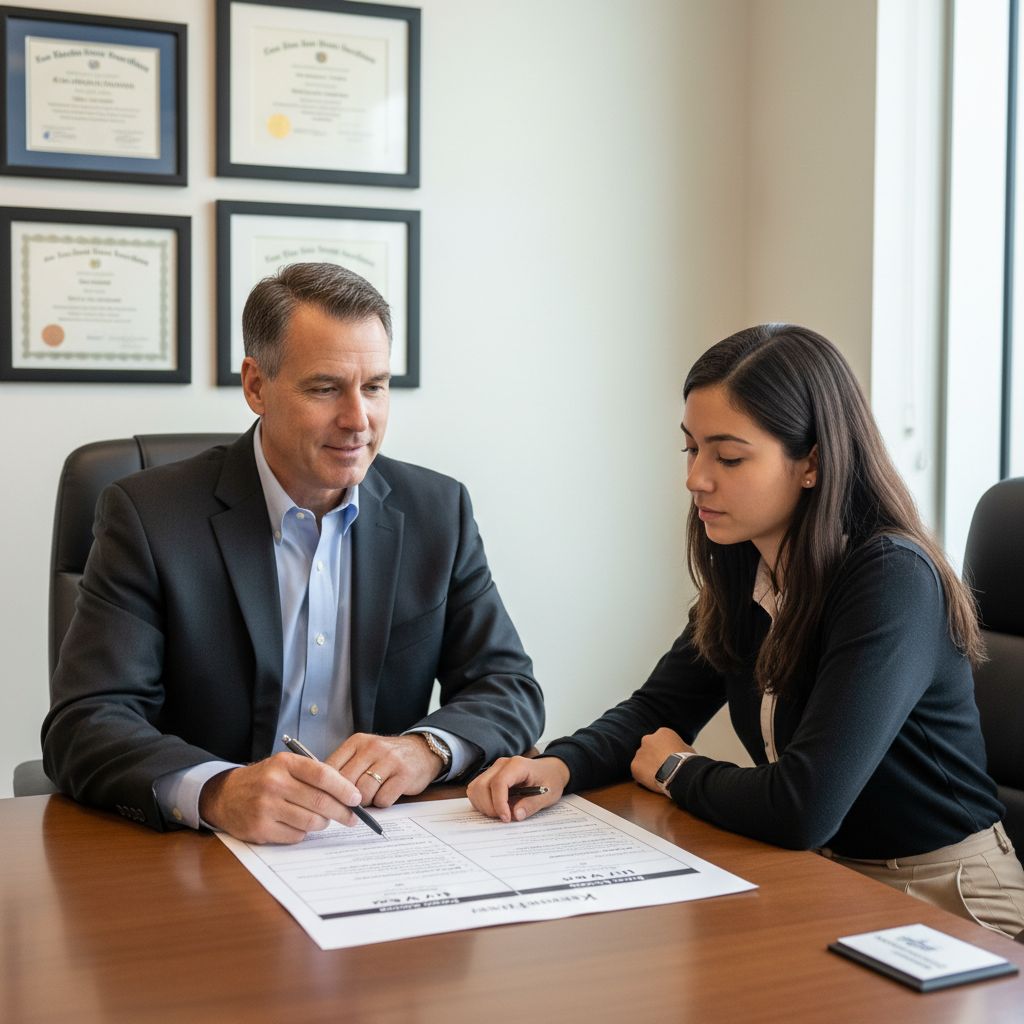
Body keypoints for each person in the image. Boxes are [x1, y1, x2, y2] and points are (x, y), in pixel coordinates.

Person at [469, 323, 1024, 937]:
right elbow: (657, 708)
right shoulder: (746, 562)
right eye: (691, 449)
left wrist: (679, 769)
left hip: (945, 896)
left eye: (728, 457)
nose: (696, 478)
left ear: (811, 461)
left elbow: (802, 806)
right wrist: (560, 765)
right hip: (827, 877)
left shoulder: (891, 580)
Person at [43, 262, 544, 844]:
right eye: (325, 388)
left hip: (381, 842)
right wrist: (217, 790)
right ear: (256, 385)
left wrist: (425, 749)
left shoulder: (437, 510)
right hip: (207, 853)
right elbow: (85, 723)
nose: (358, 420)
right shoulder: (149, 515)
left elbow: (508, 685)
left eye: (376, 386)